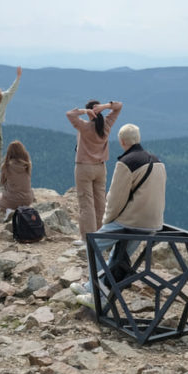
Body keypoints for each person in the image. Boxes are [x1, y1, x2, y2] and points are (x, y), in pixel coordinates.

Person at [73, 123, 166, 307]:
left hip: (131, 221)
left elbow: (115, 198)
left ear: (122, 142)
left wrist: (107, 222)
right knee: (118, 255)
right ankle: (93, 287)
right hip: (153, 223)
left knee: (93, 244)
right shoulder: (157, 161)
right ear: (137, 139)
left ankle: (97, 294)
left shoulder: (126, 163)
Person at [66, 100, 123, 244]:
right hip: (100, 168)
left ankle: (87, 238)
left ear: (90, 111)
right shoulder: (107, 125)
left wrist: (84, 112)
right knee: (100, 202)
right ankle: (100, 235)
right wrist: (105, 106)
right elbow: (119, 106)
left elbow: (70, 114)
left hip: (84, 167)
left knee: (86, 204)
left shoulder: (84, 127)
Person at [0, 140, 34, 216]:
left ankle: (9, 211)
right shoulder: (28, 165)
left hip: (13, 200)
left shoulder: (6, 166)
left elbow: (3, 182)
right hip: (28, 199)